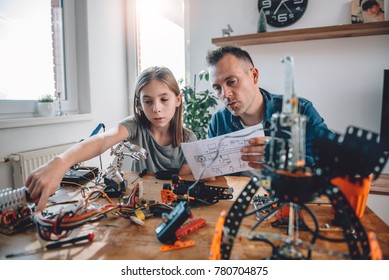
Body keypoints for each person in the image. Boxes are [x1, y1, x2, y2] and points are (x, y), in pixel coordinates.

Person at [26, 66, 197, 212]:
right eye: (148, 101)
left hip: (171, 207)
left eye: (164, 99)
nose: (156, 109)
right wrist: (61, 161)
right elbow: (103, 140)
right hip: (138, 206)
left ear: (178, 99)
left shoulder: (189, 139)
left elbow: (183, 182)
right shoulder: (135, 125)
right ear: (139, 104)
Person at [206, 46, 332, 170]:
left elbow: (331, 165)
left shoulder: (301, 110)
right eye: (217, 88)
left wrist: (288, 158)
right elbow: (214, 174)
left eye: (232, 81)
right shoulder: (218, 122)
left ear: (254, 76)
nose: (225, 94)